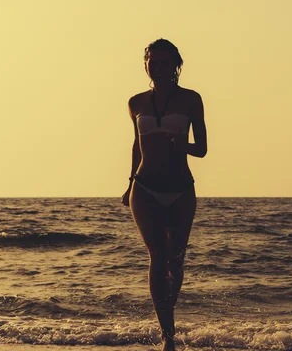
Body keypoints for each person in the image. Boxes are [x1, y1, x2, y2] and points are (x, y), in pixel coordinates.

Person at [121, 38, 207, 351]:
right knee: (157, 256)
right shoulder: (136, 102)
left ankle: (167, 318)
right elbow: (136, 146)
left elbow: (202, 149)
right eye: (150, 61)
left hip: (181, 189)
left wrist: (180, 144)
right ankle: (168, 336)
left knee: (176, 260)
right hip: (144, 189)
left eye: (162, 61)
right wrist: (130, 183)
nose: (155, 67)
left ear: (176, 65)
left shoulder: (191, 100)